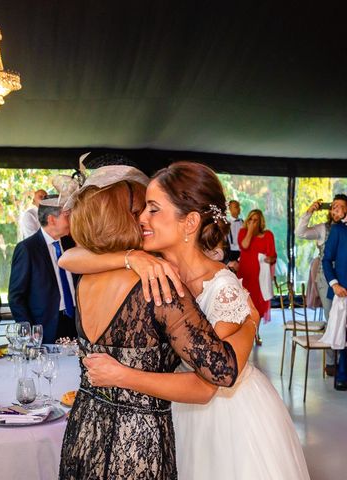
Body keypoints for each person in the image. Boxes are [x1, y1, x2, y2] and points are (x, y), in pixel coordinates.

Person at [63, 162, 309, 480]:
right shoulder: (153, 267)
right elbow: (68, 257)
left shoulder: (220, 286)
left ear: (189, 222)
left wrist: (250, 321)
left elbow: (212, 382)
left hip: (225, 421)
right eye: (142, 209)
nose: (141, 219)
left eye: (153, 210)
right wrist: (130, 257)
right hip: (170, 405)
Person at [9, 195, 77, 344]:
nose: (72, 219)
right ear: (52, 219)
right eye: (67, 215)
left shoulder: (71, 244)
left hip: (76, 323)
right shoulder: (27, 249)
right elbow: (16, 297)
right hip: (45, 328)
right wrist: (30, 333)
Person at [296, 195, 347, 322]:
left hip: (344, 276)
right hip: (325, 278)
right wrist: (309, 212)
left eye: (341, 207)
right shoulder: (322, 228)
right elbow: (300, 233)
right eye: (334, 206)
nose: (337, 210)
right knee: (331, 316)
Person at [236, 208, 277, 344]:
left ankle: (256, 333)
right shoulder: (242, 233)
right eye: (250, 220)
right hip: (246, 275)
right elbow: (245, 246)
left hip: (260, 277)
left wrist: (270, 259)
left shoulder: (268, 235)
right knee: (245, 305)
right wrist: (250, 231)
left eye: (256, 220)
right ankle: (245, 335)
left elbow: (273, 254)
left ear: (261, 222)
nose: (253, 222)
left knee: (258, 307)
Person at [322, 209, 347, 390]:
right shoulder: (338, 230)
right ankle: (342, 375)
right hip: (343, 291)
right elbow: (326, 260)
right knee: (344, 335)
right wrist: (334, 284)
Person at [227, 199, 243, 264]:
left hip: (243, 250)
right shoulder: (227, 224)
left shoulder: (242, 222)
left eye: (239, 207)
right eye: (236, 207)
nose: (238, 209)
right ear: (230, 209)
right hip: (232, 251)